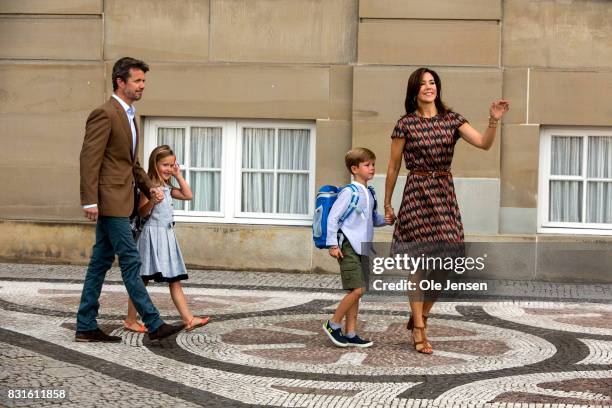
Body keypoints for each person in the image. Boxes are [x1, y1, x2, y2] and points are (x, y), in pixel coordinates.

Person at [383, 67, 509, 354]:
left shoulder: (452, 120)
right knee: (417, 265)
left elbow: (484, 144)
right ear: (414, 90)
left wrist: (494, 120)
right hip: (416, 194)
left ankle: (421, 314)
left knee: (447, 261)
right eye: (423, 83)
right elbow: (393, 166)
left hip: (443, 194)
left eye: (432, 83)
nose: (429, 87)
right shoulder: (405, 124)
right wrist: (388, 203)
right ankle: (419, 328)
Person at [77, 57, 184, 342]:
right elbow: (90, 158)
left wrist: (150, 188)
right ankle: (154, 322)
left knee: (100, 262)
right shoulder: (105, 113)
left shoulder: (129, 115)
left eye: (143, 81)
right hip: (110, 201)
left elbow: (131, 164)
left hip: (122, 199)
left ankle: (85, 324)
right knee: (130, 259)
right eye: (137, 81)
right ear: (120, 82)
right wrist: (90, 200)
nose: (142, 86)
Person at [124, 145, 211, 332]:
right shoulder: (150, 188)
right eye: (165, 165)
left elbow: (188, 195)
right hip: (151, 237)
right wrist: (153, 202)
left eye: (172, 165)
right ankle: (131, 320)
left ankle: (189, 319)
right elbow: (141, 212)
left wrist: (179, 175)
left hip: (167, 237)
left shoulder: (168, 187)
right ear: (154, 164)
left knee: (174, 280)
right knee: (142, 280)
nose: (169, 169)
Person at [322, 148, 390, 348]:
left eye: (373, 164)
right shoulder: (348, 192)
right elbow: (333, 218)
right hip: (348, 246)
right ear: (354, 168)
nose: (372, 168)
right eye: (367, 165)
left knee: (357, 291)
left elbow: (371, 219)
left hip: (364, 248)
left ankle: (351, 333)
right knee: (358, 290)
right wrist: (333, 244)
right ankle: (333, 324)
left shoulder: (369, 192)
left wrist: (386, 220)